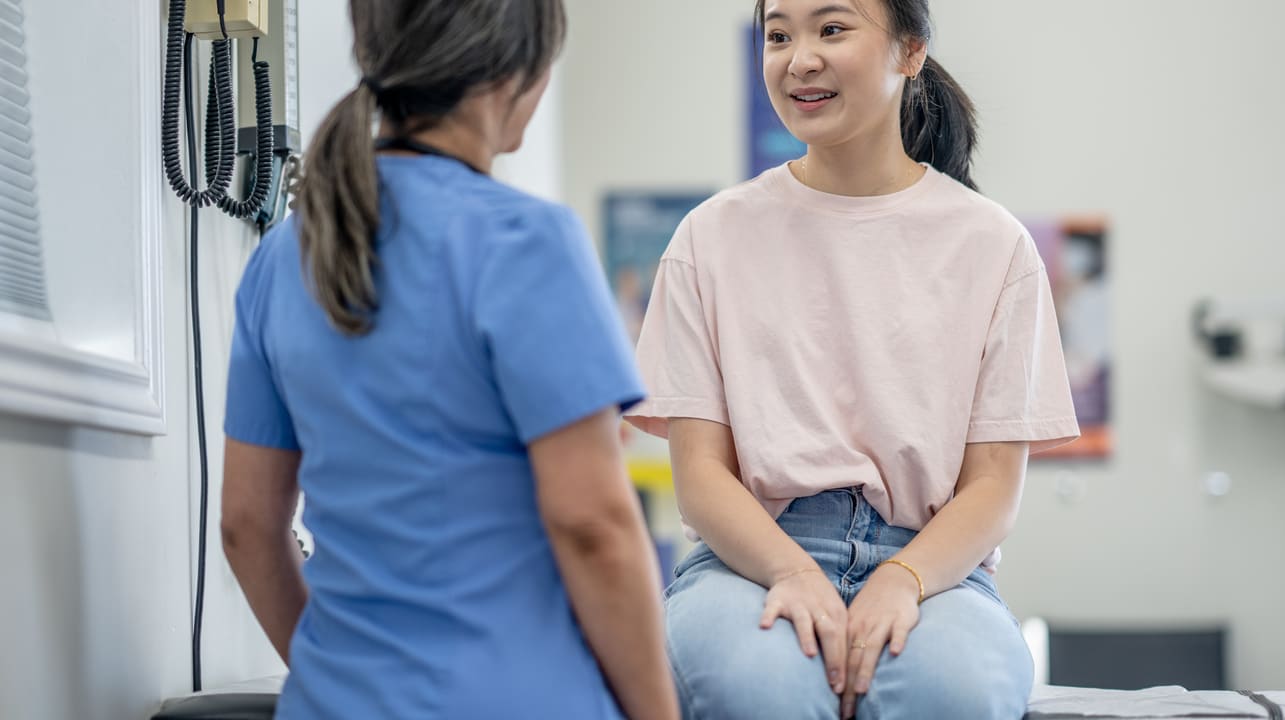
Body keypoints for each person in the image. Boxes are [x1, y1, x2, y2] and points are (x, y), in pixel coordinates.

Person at [219, 2, 678, 718]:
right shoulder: (528, 242)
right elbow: (593, 526)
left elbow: (246, 523)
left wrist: (329, 678)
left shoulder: (285, 254)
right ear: (515, 71)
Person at [623, 0, 1080, 717]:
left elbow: (992, 487)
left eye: (831, 29)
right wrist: (790, 570)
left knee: (952, 691)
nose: (798, 58)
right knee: (758, 688)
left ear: (910, 51)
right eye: (777, 35)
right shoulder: (709, 237)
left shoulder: (993, 246)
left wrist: (901, 577)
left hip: (936, 568)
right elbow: (700, 475)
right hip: (749, 557)